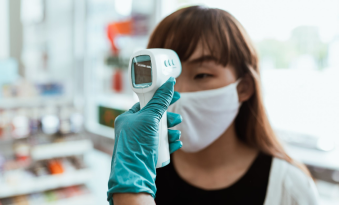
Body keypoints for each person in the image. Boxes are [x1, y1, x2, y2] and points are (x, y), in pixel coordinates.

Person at [107, 6, 319, 205]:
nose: (178, 92)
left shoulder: (288, 187)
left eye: (202, 75)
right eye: (166, 77)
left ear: (243, 87)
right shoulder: (145, 171)